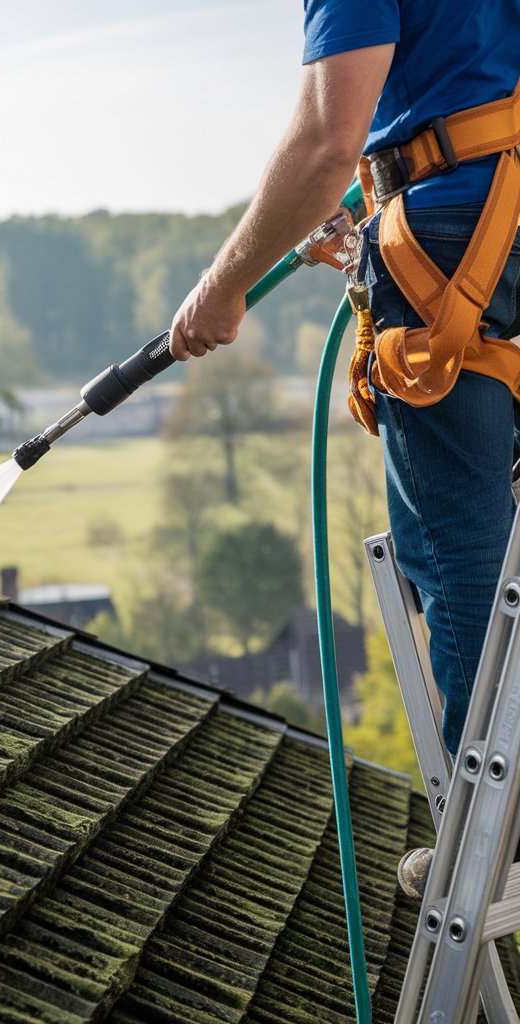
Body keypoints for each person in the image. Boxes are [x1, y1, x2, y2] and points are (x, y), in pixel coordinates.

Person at [169, 0, 520, 898]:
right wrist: (383, 189)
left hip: (453, 241)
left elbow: (328, 139)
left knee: (463, 558)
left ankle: (494, 841)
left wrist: (223, 288)